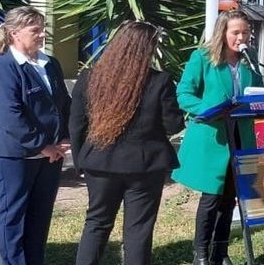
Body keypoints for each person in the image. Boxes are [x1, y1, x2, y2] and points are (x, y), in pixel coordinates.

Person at [71, 20, 184, 265]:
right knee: (138, 231)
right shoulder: (160, 81)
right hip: (144, 165)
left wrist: (81, 161)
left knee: (96, 224)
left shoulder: (90, 77)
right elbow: (173, 125)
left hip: (99, 162)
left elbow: (76, 124)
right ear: (148, 48)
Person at [172, 10, 261, 265]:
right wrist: (207, 110)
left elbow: (256, 89)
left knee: (229, 199)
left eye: (245, 32)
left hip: (240, 137)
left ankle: (220, 253)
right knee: (211, 198)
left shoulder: (249, 59)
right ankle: (200, 254)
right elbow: (184, 94)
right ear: (223, 32)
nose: (241, 37)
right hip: (213, 138)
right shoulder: (202, 58)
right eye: (236, 32)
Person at [0, 6, 70, 265]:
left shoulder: (50, 64)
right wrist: (42, 146)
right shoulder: (5, 67)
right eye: (35, 30)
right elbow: (12, 116)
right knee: (14, 218)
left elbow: (63, 104)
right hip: (15, 156)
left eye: (43, 28)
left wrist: (65, 138)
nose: (43, 34)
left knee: (39, 216)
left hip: (50, 157)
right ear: (14, 33)